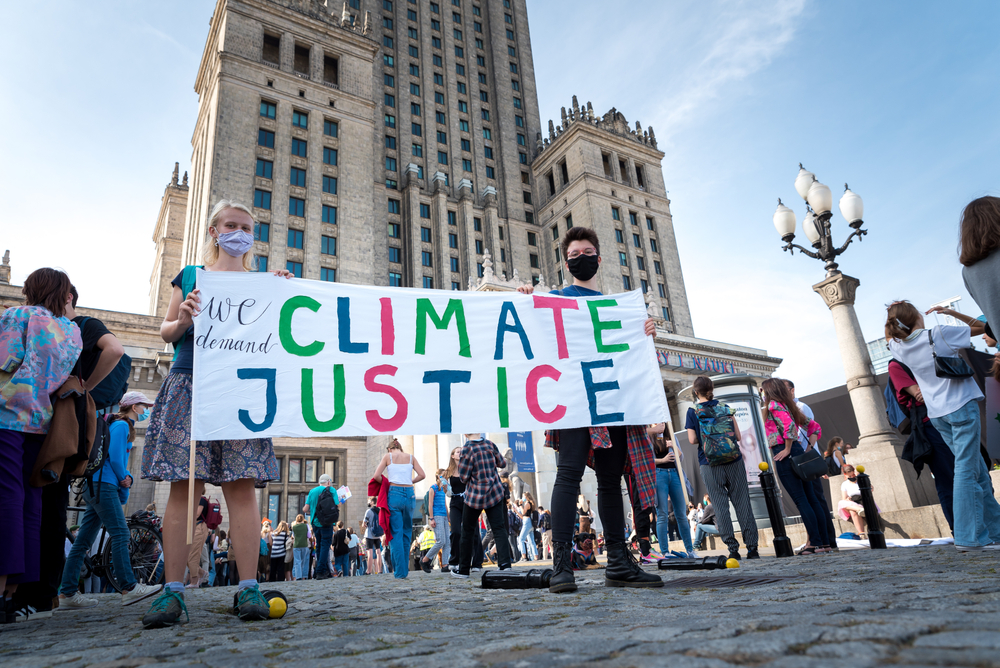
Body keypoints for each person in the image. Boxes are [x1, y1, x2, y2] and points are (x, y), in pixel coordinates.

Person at [140, 200, 287, 629]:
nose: (238, 232)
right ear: (213, 231)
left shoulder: (263, 282)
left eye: (246, 227)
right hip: (190, 383)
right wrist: (183, 316)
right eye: (231, 225)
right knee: (185, 490)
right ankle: (172, 592)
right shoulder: (190, 276)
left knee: (242, 490)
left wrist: (284, 290)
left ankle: (248, 588)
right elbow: (166, 332)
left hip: (240, 388)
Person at [516, 226, 662, 593]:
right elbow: (531, 334)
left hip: (612, 401)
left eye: (587, 251)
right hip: (574, 400)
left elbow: (627, 355)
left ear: (598, 257)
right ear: (566, 263)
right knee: (569, 476)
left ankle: (618, 562)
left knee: (611, 481)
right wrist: (523, 301)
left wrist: (643, 332)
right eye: (574, 254)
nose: (581, 257)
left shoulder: (617, 309)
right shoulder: (556, 299)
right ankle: (562, 565)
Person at [0, 268, 83, 624]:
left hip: (5, 413)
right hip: (40, 420)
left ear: (31, 289)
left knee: (5, 494)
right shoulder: (72, 331)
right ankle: (14, 592)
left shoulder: (16, 315)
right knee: (31, 499)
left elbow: (4, 362)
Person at [885, 301, 1000, 551]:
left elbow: (893, 335)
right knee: (967, 470)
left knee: (976, 470)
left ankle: (996, 531)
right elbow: (987, 328)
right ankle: (968, 537)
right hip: (960, 405)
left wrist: (896, 315)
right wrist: (950, 313)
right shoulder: (938, 334)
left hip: (938, 414)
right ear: (916, 316)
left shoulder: (897, 346)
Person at [58, 392, 162, 610]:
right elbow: (115, 458)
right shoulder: (123, 426)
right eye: (145, 406)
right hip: (103, 484)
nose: (147, 411)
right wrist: (125, 477)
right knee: (121, 533)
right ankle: (129, 587)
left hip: (93, 484)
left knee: (83, 541)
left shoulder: (115, 423)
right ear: (134, 407)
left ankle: (67, 592)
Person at [686, 376, 760, 560]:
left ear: (696, 392)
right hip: (733, 461)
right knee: (743, 503)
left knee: (720, 506)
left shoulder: (692, 411)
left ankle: (733, 549)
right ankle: (752, 548)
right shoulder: (725, 408)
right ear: (712, 389)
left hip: (709, 464)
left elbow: (692, 440)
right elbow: (738, 436)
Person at [761, 377, 831, 555]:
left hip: (785, 454)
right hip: (798, 452)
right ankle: (824, 543)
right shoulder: (788, 406)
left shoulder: (774, 406)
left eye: (762, 391)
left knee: (801, 500)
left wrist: (786, 448)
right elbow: (814, 427)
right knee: (811, 499)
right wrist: (806, 448)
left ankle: (814, 543)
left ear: (769, 391)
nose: (761, 394)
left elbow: (789, 427)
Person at [886, 356, 955, 532]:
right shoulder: (897, 364)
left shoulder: (928, 352)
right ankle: (960, 530)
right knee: (947, 478)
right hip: (929, 424)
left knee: (975, 472)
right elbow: (919, 394)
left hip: (951, 417)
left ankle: (983, 525)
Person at [452, 434, 512, 579]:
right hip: (494, 492)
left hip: (475, 495)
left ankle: (464, 570)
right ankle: (505, 565)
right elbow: (502, 464)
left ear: (466, 434)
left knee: (467, 530)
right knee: (499, 528)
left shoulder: (467, 448)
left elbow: (464, 477)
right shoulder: (490, 444)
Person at [786, 380, 837, 553]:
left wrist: (806, 449)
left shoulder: (800, 407)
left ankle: (825, 540)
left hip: (806, 461)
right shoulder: (790, 409)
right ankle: (819, 540)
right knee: (812, 500)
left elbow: (810, 430)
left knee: (816, 500)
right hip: (802, 460)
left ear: (792, 391)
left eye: (783, 390)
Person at [373, 439, 426, 579]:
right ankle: (404, 570)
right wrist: (410, 481)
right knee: (407, 532)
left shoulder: (388, 457)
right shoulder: (410, 457)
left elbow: (376, 476)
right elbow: (422, 475)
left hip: (394, 493)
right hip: (409, 494)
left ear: (389, 449)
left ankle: (400, 572)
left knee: (396, 532)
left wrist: (386, 483)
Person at [648, 423, 695, 558]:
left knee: (681, 513)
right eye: (656, 423)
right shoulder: (649, 437)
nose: (660, 425)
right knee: (662, 514)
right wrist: (663, 460)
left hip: (674, 473)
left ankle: (690, 550)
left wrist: (673, 446)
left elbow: (680, 457)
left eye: (662, 422)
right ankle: (665, 552)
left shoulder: (671, 436)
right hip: (659, 474)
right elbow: (648, 460)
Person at [444, 447, 483, 573]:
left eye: (462, 451)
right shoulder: (447, 472)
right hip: (455, 502)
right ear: (453, 456)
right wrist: (445, 489)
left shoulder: (468, 468)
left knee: (474, 531)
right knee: (455, 531)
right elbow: (447, 492)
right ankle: (454, 561)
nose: (460, 453)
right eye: (458, 451)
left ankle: (476, 562)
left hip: (469, 501)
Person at [303, 474, 339, 580]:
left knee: (318, 546)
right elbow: (337, 504)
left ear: (319, 482)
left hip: (315, 523)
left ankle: (319, 570)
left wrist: (314, 509)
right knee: (325, 547)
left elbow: (305, 509)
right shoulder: (331, 490)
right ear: (328, 482)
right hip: (326, 523)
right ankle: (320, 571)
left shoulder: (312, 491)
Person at [421, 470, 450, 573]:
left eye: (446, 476)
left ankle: (445, 564)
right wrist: (431, 518)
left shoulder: (443, 489)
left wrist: (448, 516)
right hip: (436, 516)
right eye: (443, 476)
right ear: (438, 476)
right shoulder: (433, 488)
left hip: (444, 516)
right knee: (441, 540)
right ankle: (425, 559)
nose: (445, 478)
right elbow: (430, 504)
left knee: (447, 541)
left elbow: (445, 504)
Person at [837, 464, 872, 536]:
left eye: (853, 475)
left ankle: (861, 532)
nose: (852, 477)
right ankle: (860, 509)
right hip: (852, 502)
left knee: (853, 512)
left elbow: (871, 489)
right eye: (850, 476)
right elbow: (844, 498)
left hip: (862, 500)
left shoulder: (860, 480)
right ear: (845, 475)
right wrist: (848, 499)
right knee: (841, 503)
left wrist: (858, 474)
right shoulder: (844, 484)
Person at [361, 498, 383, 575]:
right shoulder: (380, 511)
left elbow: (364, 523)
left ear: (372, 502)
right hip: (378, 535)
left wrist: (364, 525)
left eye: (369, 501)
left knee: (370, 552)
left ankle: (369, 571)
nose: (368, 502)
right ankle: (380, 570)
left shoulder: (369, 511)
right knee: (378, 552)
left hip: (369, 534)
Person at [517, 492, 539, 562]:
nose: (522, 498)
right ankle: (536, 556)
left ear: (526, 497)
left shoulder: (527, 503)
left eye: (523, 496)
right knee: (531, 540)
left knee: (521, 539)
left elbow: (523, 512)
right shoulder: (530, 504)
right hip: (529, 522)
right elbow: (524, 515)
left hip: (526, 522)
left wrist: (520, 505)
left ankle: (523, 556)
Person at [290, 515, 310, 580]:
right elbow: (309, 535)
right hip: (304, 544)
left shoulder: (294, 527)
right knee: (303, 561)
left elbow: (293, 536)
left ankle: (298, 576)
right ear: (303, 519)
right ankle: (303, 575)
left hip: (296, 545)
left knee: (297, 561)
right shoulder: (306, 526)